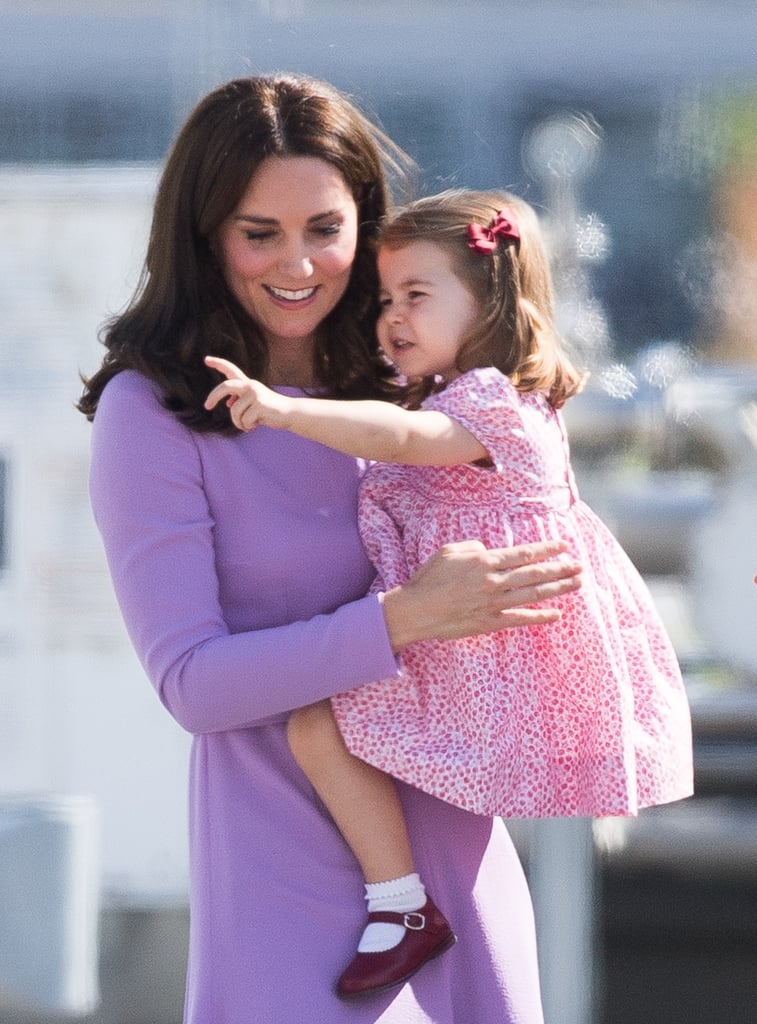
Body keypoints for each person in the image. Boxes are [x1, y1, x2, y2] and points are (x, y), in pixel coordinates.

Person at [77, 75, 585, 1024]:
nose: (297, 263)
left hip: (451, 846)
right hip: (277, 865)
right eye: (256, 232)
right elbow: (194, 684)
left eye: (324, 227)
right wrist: (404, 618)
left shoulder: (419, 387)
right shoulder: (151, 415)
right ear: (201, 236)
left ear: (367, 224)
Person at [204, 188, 695, 998]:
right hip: (460, 635)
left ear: (490, 301)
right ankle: (400, 903)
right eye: (386, 299)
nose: (392, 317)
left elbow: (401, 438)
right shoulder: (458, 393)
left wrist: (283, 412)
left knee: (318, 725)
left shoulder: (491, 405)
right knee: (320, 728)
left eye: (417, 296)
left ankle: (400, 905)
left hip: (480, 645)